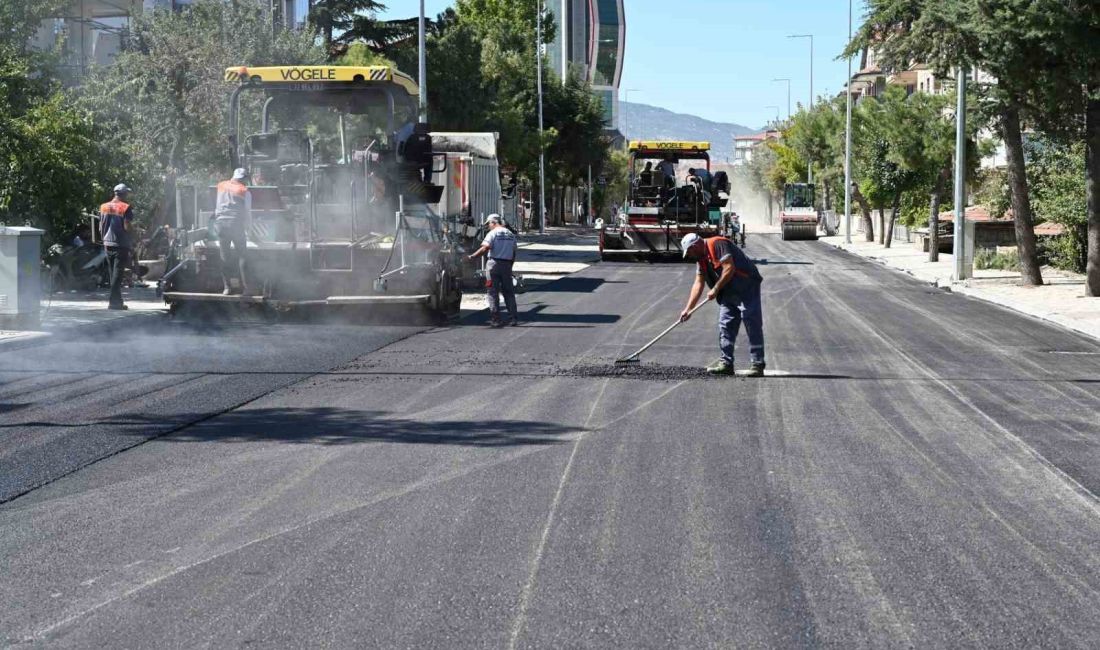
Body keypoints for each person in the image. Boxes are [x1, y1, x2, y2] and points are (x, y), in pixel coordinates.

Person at [679, 232, 765, 377]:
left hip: (746, 286)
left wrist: (715, 288)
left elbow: (729, 267)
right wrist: (688, 309)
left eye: (690, 252)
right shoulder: (701, 259)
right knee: (725, 325)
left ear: (695, 246)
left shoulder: (718, 244)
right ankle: (726, 364)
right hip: (728, 291)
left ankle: (757, 364)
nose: (690, 255)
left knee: (751, 322)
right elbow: (698, 283)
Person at [468, 214, 518, 327]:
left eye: (489, 224)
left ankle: (496, 320)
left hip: (493, 265)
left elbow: (485, 247)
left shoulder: (493, 233)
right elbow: (514, 252)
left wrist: (472, 256)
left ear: (494, 222)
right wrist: (510, 266)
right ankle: (513, 318)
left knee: (492, 292)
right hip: (507, 265)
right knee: (509, 292)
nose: (489, 226)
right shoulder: (511, 234)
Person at [213, 168, 253, 295]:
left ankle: (227, 287)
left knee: (224, 256)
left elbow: (218, 204)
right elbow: (247, 212)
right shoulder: (245, 191)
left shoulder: (221, 186)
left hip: (221, 224)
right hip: (236, 224)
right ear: (244, 179)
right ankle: (247, 289)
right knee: (243, 256)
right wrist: (249, 229)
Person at [99, 183, 134, 310]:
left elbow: (101, 226)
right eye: (127, 193)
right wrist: (134, 234)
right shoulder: (125, 207)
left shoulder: (103, 207)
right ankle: (113, 302)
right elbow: (127, 226)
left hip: (107, 243)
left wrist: (103, 240)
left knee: (112, 274)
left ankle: (117, 301)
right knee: (117, 275)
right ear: (124, 194)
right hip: (121, 244)